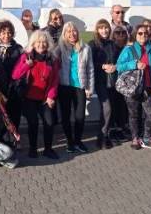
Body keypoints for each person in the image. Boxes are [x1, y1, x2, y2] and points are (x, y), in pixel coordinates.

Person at [12, 30, 60, 159]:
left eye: (44, 42)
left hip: (45, 98)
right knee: (33, 123)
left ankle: (48, 149)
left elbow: (55, 79)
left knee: (49, 122)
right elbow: (15, 75)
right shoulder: (26, 56)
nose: (41, 44)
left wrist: (51, 96)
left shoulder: (52, 58)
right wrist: (27, 66)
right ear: (33, 43)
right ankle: (33, 149)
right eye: (38, 42)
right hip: (29, 98)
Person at [117, 24, 151, 150]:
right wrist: (134, 64)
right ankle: (135, 138)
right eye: (140, 33)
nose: (143, 35)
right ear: (135, 35)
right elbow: (119, 66)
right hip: (132, 87)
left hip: (148, 87)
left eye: (145, 34)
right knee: (134, 115)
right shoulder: (129, 49)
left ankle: (146, 137)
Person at [54, 22, 94, 153]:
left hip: (80, 87)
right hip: (64, 86)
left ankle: (78, 141)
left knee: (80, 116)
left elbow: (90, 69)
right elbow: (50, 60)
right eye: (68, 31)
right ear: (64, 34)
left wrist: (89, 88)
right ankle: (69, 141)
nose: (72, 34)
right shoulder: (59, 48)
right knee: (65, 116)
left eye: (74, 31)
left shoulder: (85, 48)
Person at [88, 19, 119, 149]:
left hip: (113, 80)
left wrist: (115, 66)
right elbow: (89, 63)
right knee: (107, 108)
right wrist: (102, 66)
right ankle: (102, 136)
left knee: (107, 110)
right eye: (101, 28)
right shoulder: (93, 44)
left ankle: (105, 135)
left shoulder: (113, 44)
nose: (104, 30)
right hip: (100, 81)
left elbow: (118, 60)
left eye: (106, 28)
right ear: (97, 30)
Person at [0, 19, 23, 130]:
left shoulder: (18, 49)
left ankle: (15, 139)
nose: (6, 35)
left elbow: (23, 69)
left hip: (14, 89)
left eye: (9, 32)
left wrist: (17, 85)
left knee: (14, 116)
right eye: (3, 32)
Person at [111, 25, 131, 139]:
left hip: (127, 81)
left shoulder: (129, 48)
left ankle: (123, 128)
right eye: (117, 33)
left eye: (123, 32)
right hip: (113, 81)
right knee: (114, 106)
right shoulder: (111, 47)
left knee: (125, 106)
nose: (120, 35)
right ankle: (114, 130)